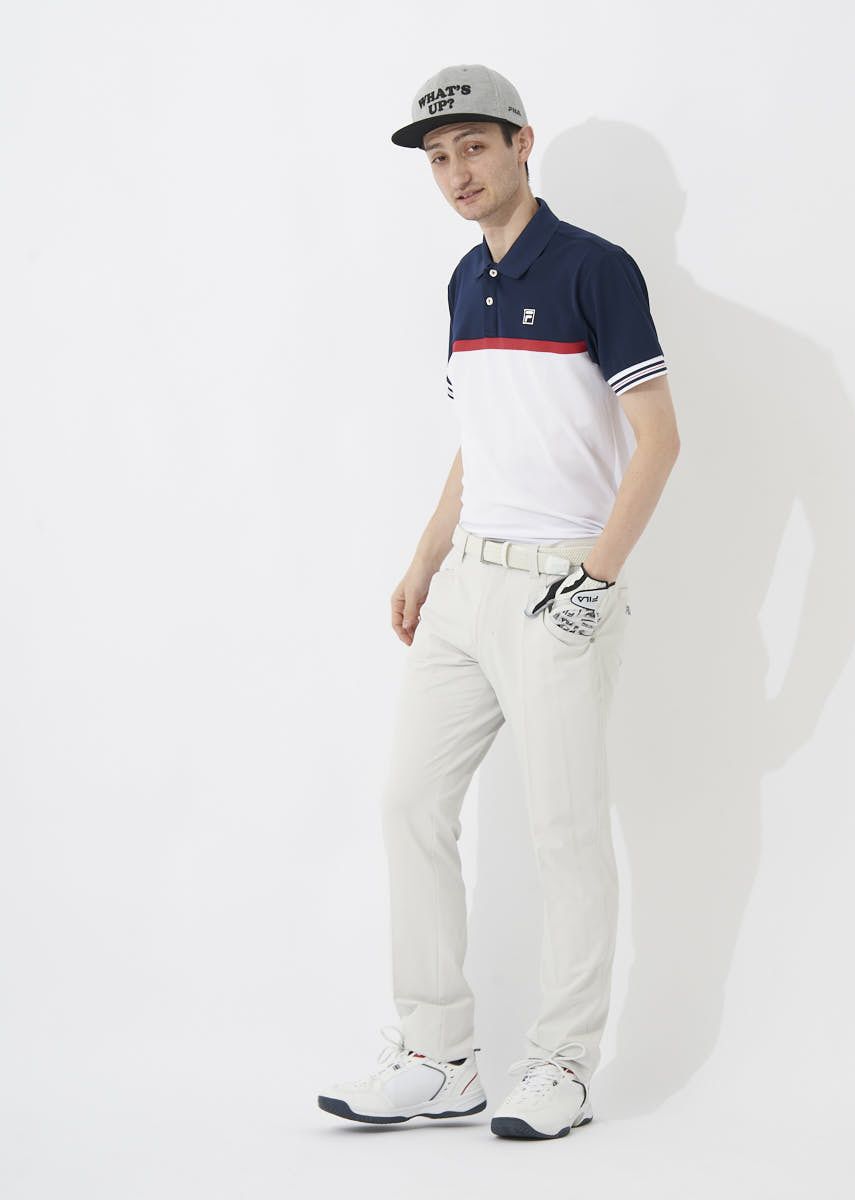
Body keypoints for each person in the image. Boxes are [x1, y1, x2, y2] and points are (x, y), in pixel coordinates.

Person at [317, 64, 680, 1140]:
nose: (455, 173)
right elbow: (478, 443)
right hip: (468, 580)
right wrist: (425, 558)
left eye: (472, 147)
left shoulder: (595, 269)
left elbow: (659, 441)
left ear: (523, 143)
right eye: (438, 158)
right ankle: (439, 1054)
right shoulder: (462, 282)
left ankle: (563, 1065)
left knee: (563, 831)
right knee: (408, 803)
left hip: (561, 579)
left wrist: (595, 580)